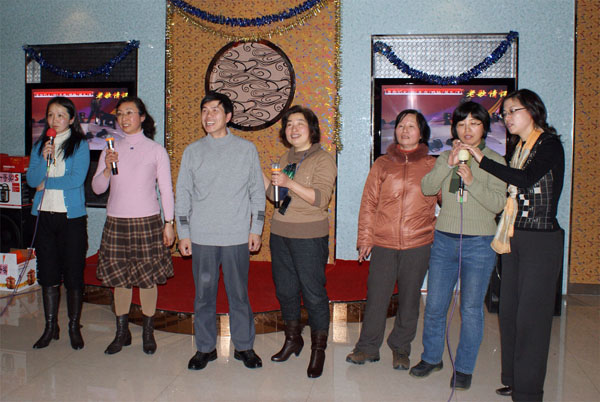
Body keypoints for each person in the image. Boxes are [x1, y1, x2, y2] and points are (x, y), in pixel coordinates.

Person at [461, 89, 564, 401]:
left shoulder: (549, 144)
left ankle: (528, 391)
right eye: (504, 113)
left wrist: (481, 158)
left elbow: (525, 179)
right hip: (514, 235)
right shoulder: (518, 147)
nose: (506, 118)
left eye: (512, 111)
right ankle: (514, 379)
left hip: (540, 240)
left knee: (532, 318)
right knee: (509, 313)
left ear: (532, 110)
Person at [409, 101, 507, 390]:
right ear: (454, 128)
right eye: (462, 124)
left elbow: (498, 204)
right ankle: (431, 358)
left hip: (480, 243)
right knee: (435, 305)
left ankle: (463, 368)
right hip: (444, 240)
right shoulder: (446, 156)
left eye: (474, 124)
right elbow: (427, 188)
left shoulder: (495, 161)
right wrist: (448, 165)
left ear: (484, 128)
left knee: (471, 309)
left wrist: (472, 181)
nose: (467, 130)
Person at [175, 91, 266, 371]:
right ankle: (205, 348)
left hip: (236, 236)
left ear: (228, 116)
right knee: (204, 295)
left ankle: (244, 346)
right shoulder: (192, 151)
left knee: (238, 293)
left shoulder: (246, 150)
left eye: (215, 110)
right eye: (204, 110)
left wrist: (256, 228)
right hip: (201, 237)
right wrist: (183, 233)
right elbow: (183, 194)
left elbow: (257, 192)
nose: (208, 115)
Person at [346, 110, 437, 371]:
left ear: (422, 133)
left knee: (409, 299)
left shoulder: (432, 165)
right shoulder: (382, 164)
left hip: (418, 242)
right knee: (377, 296)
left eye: (411, 126)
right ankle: (367, 347)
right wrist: (365, 238)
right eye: (400, 125)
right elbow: (369, 203)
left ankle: (401, 347)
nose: (405, 130)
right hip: (384, 242)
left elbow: (448, 201)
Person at [92, 96, 175, 355]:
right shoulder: (110, 148)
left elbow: (166, 190)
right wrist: (107, 168)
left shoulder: (155, 150)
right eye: (120, 113)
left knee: (147, 279)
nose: (123, 118)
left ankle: (148, 333)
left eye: (129, 112)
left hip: (147, 221)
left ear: (142, 117)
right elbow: (97, 188)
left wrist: (169, 223)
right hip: (116, 221)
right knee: (120, 280)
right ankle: (122, 333)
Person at [263, 105, 337, 378]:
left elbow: (321, 199)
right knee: (285, 291)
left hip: (309, 235)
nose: (293, 129)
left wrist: (288, 183)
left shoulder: (323, 159)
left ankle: (318, 349)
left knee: (313, 293)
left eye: (299, 123)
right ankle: (293, 339)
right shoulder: (285, 157)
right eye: (289, 124)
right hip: (280, 233)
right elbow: (276, 197)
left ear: (311, 129)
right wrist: (260, 174)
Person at [27, 96, 90, 350]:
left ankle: (74, 326)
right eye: (51, 115)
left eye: (61, 115)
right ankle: (50, 326)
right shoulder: (40, 145)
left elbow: (75, 180)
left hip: (71, 219)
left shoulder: (80, 145)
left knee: (73, 273)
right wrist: (44, 159)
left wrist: (47, 183)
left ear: (71, 119)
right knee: (48, 274)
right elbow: (32, 180)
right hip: (44, 217)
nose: (55, 119)